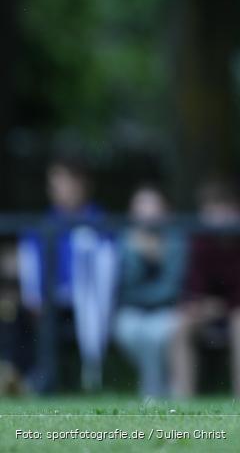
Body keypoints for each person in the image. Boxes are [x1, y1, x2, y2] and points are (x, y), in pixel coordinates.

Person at [17, 156, 116, 392]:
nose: (59, 190)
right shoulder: (44, 223)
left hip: (89, 303)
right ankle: (26, 379)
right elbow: (29, 265)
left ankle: (88, 380)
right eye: (54, 184)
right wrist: (33, 297)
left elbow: (107, 275)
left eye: (65, 183)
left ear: (82, 184)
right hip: (49, 304)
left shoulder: (100, 222)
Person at [169, 179, 240, 399]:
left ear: (239, 211)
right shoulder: (200, 241)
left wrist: (220, 306)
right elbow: (193, 285)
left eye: (223, 209)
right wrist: (199, 304)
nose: (217, 217)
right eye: (211, 210)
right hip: (210, 309)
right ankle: (182, 400)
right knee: (180, 324)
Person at [114, 185, 186, 398]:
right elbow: (126, 288)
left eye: (153, 205)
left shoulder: (177, 241)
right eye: (141, 205)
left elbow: (172, 288)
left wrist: (158, 256)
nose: (147, 212)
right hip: (132, 311)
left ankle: (151, 393)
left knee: (156, 333)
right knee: (130, 330)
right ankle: (157, 390)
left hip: (167, 311)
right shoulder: (123, 242)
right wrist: (138, 255)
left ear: (166, 212)